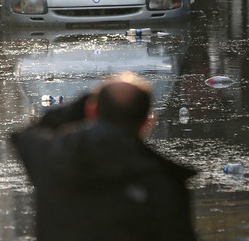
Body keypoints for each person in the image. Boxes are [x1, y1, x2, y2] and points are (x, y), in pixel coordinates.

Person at [10, 72, 198, 241]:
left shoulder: (53, 159)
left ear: (92, 111)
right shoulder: (164, 183)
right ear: (147, 121)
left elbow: (28, 135)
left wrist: (82, 104)